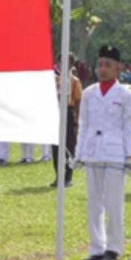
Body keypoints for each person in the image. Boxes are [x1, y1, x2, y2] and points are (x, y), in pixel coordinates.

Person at [74, 45, 131, 260]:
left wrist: (129, 156)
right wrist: (79, 154)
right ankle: (96, 247)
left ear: (118, 68)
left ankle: (114, 247)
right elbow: (83, 124)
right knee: (94, 202)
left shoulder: (125, 93)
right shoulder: (89, 92)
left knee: (113, 202)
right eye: (100, 64)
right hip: (92, 151)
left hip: (114, 152)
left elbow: (129, 125)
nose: (103, 69)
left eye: (108, 65)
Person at [50, 52, 82, 188]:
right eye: (60, 61)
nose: (63, 64)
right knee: (56, 146)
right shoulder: (53, 79)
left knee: (69, 145)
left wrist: (77, 119)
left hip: (68, 113)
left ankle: (68, 176)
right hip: (55, 113)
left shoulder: (74, 81)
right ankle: (58, 175)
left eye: (66, 62)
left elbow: (78, 101)